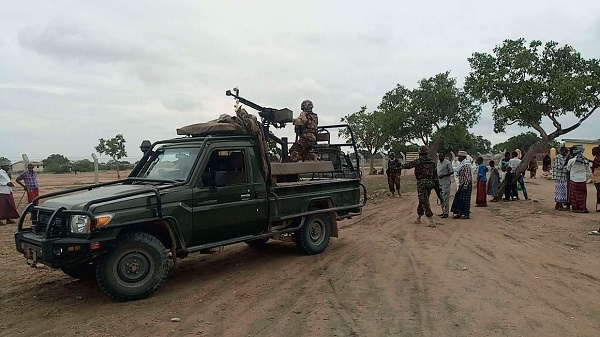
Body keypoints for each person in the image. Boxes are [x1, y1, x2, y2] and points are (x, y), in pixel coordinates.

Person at [402, 145, 439, 227]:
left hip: (421, 183)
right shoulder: (432, 162)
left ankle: (431, 220)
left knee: (424, 200)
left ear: (420, 153)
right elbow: (435, 176)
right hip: (430, 183)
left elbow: (407, 166)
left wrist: (399, 166)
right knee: (423, 199)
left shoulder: (418, 161)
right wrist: (437, 186)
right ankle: (419, 216)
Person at [566, 147, 590, 213]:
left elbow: (568, 169)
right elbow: (588, 170)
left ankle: (575, 208)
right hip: (582, 180)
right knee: (583, 195)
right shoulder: (585, 161)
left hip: (574, 179)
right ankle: (583, 207)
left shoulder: (571, 161)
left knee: (574, 194)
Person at [451, 150, 473, 219]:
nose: (458, 158)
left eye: (459, 157)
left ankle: (466, 214)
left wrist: (465, 186)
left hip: (466, 184)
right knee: (459, 199)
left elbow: (467, 177)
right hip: (462, 184)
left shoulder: (466, 165)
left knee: (465, 200)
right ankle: (459, 213)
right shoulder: (462, 164)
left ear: (463, 157)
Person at [0, 160, 19, 226]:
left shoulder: (6, 173)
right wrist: (6, 183)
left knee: (10, 205)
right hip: (2, 192)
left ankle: (9, 219)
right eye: (7, 166)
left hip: (8, 191)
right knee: (2, 206)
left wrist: (10, 183)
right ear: (3, 167)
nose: (8, 167)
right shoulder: (0, 172)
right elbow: (3, 182)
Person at [436, 152, 453, 218]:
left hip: (446, 182)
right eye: (439, 157)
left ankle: (446, 212)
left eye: (441, 156)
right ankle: (443, 211)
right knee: (440, 197)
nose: (440, 158)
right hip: (439, 182)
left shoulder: (448, 163)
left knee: (445, 197)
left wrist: (443, 175)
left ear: (444, 156)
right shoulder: (438, 162)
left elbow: (451, 172)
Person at [592, 146, 600, 212]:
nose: (592, 152)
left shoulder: (598, 158)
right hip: (596, 175)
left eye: (593, 151)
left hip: (598, 175)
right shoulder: (596, 158)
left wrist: (592, 162)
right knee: (598, 191)